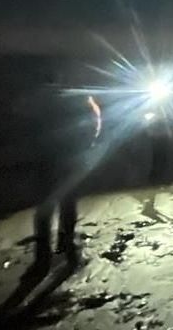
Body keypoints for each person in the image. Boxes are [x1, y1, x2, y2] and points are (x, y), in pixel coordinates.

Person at [31, 94, 103, 272]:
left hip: (46, 158)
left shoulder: (40, 99)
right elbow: (93, 123)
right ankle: (66, 243)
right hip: (69, 157)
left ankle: (43, 254)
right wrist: (87, 145)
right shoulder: (80, 99)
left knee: (46, 206)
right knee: (68, 202)